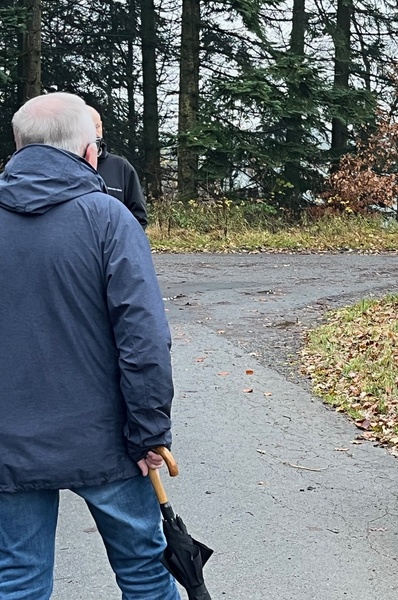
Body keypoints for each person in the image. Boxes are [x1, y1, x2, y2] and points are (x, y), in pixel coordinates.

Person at [0, 93, 179, 599]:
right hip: (105, 439)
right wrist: (150, 432)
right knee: (145, 573)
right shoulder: (108, 218)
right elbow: (142, 337)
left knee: (16, 580)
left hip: (7, 443)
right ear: (87, 151)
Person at [87, 105, 148, 229]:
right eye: (87, 127)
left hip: (115, 245)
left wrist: (124, 244)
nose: (94, 132)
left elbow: (139, 217)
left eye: (97, 126)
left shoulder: (121, 167)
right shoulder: (64, 166)